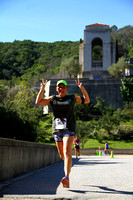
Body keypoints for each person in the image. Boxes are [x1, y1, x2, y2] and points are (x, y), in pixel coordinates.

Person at [35, 79, 90, 188]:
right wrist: (42, 89)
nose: (61, 89)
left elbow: (87, 100)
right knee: (62, 155)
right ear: (57, 89)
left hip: (69, 128)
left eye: (63, 87)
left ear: (66, 89)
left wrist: (82, 88)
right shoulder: (53, 99)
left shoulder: (72, 98)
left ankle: (67, 177)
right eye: (59, 87)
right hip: (57, 129)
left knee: (66, 151)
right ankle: (68, 165)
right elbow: (38, 102)